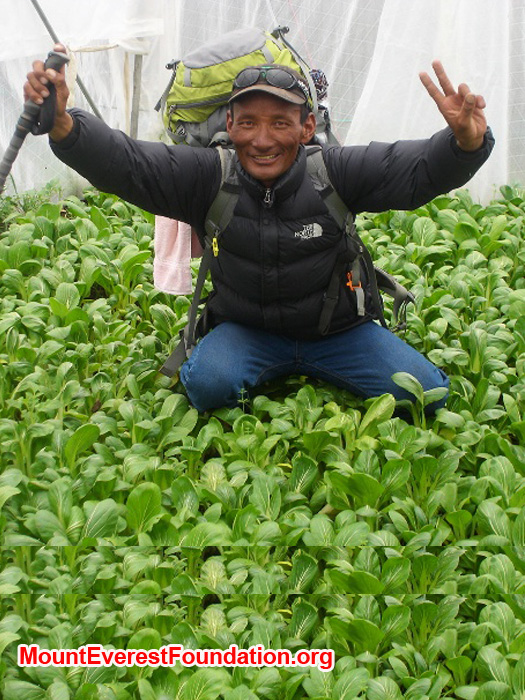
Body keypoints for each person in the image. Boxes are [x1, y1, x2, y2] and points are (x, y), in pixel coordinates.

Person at [24, 44, 494, 413]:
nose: (262, 139)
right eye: (247, 122)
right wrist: (66, 125)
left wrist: (464, 145)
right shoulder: (209, 176)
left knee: (427, 394)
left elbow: (410, 171)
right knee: (208, 385)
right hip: (246, 330)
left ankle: (317, 363)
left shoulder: (334, 171)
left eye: (280, 123)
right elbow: (128, 165)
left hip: (339, 332)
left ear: (307, 126)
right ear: (229, 123)